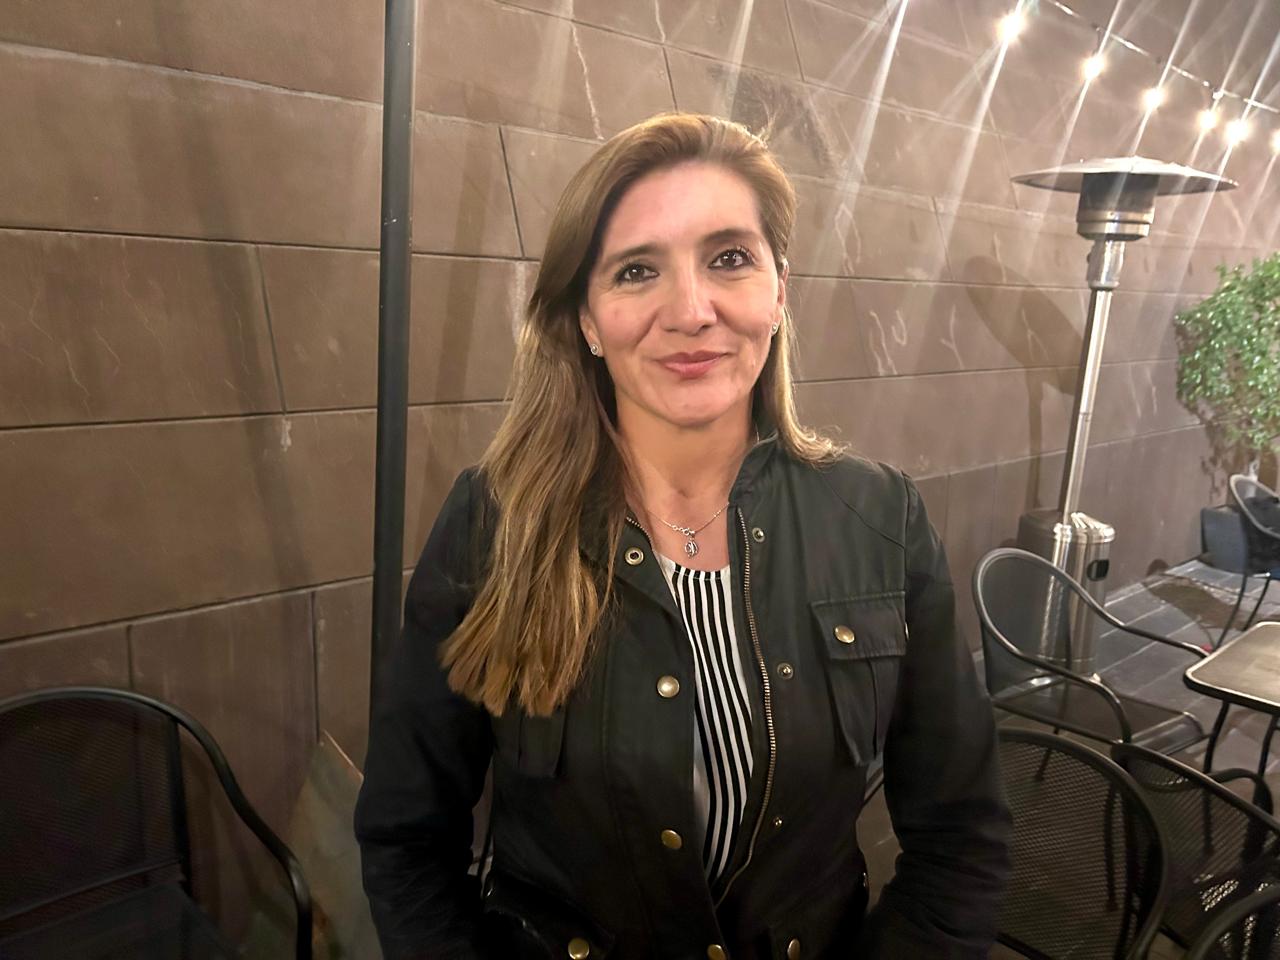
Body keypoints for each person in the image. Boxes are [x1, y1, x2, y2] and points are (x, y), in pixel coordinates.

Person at [354, 112, 1011, 959]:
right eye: (637, 271)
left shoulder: (880, 519)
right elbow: (408, 839)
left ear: (779, 290)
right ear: (588, 321)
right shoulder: (495, 523)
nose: (691, 311)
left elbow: (961, 837)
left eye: (729, 258)